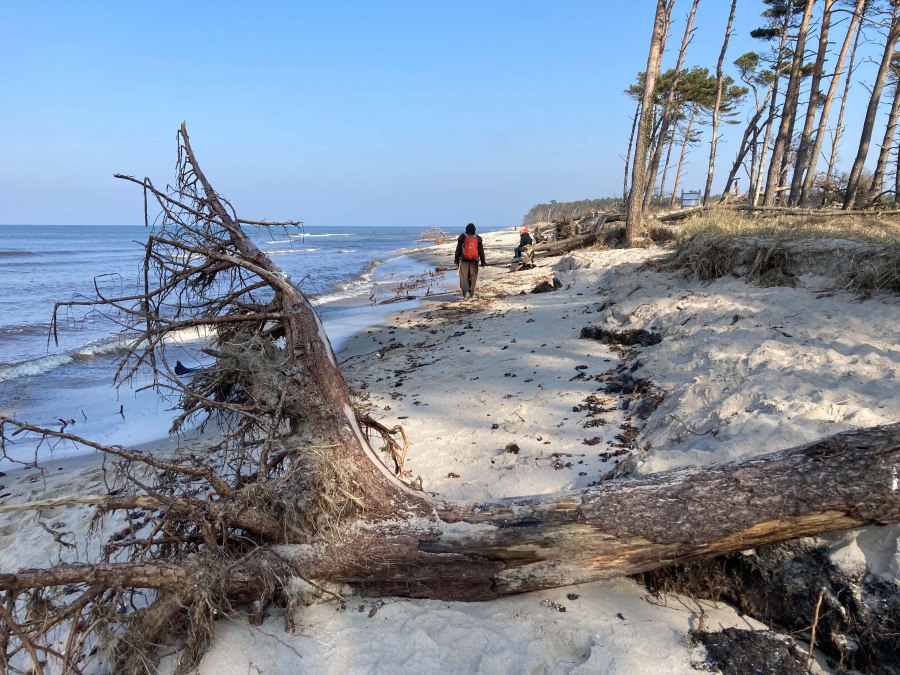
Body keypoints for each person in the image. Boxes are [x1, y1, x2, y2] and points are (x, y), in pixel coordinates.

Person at [454, 222, 485, 299]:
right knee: (473, 276)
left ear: (466, 229)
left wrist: (456, 260)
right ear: (474, 230)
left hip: (463, 260)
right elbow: (481, 251)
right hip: (474, 261)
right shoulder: (478, 238)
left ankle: (465, 293)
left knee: (464, 276)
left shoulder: (462, 237)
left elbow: (458, 250)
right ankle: (471, 293)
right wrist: (483, 261)